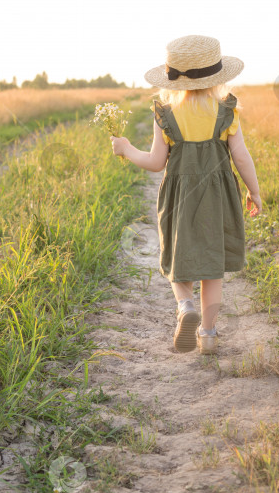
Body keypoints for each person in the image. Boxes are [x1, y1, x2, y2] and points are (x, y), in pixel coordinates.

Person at [110, 34, 262, 355]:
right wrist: (253, 191)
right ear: (216, 78)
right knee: (212, 265)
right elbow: (242, 157)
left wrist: (125, 148)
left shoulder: (166, 113)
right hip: (219, 197)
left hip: (180, 196)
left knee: (177, 256)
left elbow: (155, 162)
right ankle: (207, 333)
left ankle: (185, 305)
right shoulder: (226, 110)